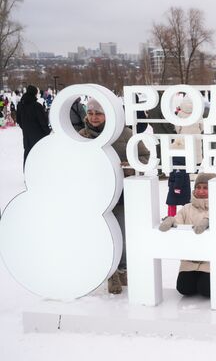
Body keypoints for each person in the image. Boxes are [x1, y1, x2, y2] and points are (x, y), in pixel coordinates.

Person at [79, 98, 150, 294]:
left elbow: (145, 157)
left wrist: (128, 166)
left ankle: (122, 269)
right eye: (91, 113)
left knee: (123, 236)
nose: (94, 118)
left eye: (98, 113)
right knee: (104, 237)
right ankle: (110, 274)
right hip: (95, 197)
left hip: (121, 196)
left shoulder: (125, 134)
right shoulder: (81, 136)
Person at [159, 173, 216, 298]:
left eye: (205, 188)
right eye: (198, 187)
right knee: (184, 289)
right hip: (190, 258)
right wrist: (171, 220)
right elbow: (178, 219)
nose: (201, 191)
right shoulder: (187, 208)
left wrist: (209, 220)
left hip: (210, 261)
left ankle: (212, 277)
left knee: (206, 290)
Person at [16, 85, 50, 164]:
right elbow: (43, 122)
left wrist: (26, 128)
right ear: (35, 93)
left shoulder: (20, 105)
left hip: (27, 137)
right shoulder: (37, 106)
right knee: (39, 156)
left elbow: (18, 120)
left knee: (28, 155)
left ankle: (27, 172)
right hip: (39, 137)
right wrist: (47, 132)